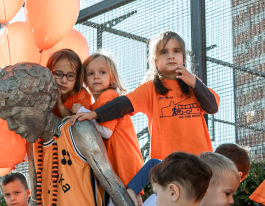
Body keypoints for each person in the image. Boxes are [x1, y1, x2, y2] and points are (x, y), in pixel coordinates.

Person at [0, 63, 126, 206]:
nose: (12, 126)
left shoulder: (78, 130)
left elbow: (115, 187)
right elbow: (35, 201)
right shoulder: (35, 146)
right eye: (7, 120)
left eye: (15, 116)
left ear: (41, 103)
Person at [74, 30, 219, 159]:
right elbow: (123, 103)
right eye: (163, 52)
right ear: (155, 61)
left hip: (200, 161)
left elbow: (212, 107)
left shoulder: (194, 85)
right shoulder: (150, 89)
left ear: (184, 58)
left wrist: (194, 83)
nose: (170, 56)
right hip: (167, 164)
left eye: (176, 51)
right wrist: (95, 114)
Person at [82, 52, 144, 185]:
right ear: (85, 80)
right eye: (90, 73)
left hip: (124, 163)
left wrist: (83, 112)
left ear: (112, 77)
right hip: (118, 164)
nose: (96, 76)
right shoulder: (94, 105)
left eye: (102, 72)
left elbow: (105, 131)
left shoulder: (109, 95)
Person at [48, 47, 92, 118]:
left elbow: (79, 126)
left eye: (70, 76)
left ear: (77, 78)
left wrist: (60, 105)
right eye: (58, 74)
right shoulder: (43, 93)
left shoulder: (82, 95)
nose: (64, 81)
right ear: (49, 73)